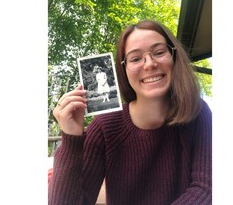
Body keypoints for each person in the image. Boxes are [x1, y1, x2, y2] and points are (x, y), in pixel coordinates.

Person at [49, 20, 212, 205]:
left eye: (159, 52)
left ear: (174, 57)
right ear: (123, 70)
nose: (150, 64)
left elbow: (207, 188)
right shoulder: (103, 127)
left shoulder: (198, 113)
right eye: (135, 58)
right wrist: (71, 138)